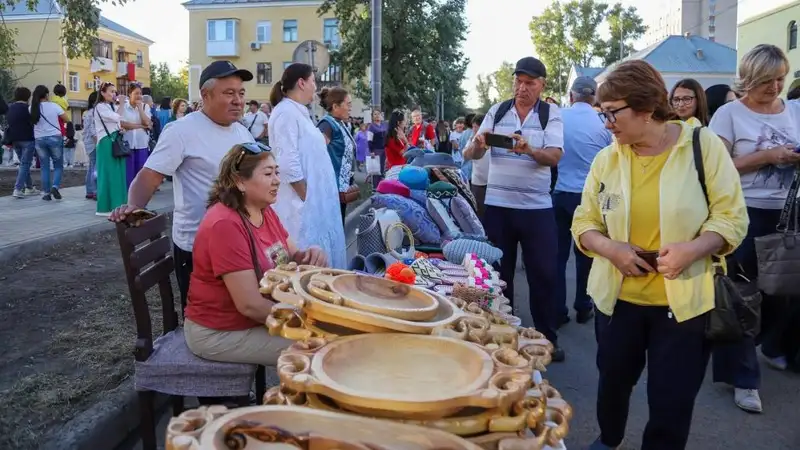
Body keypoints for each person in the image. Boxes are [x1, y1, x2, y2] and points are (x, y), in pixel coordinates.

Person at [573, 60, 748, 450]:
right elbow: (583, 221)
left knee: (672, 401)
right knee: (612, 383)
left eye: (612, 113)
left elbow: (732, 217)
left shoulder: (703, 147)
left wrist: (695, 248)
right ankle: (610, 439)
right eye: (603, 114)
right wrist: (610, 249)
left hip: (684, 306)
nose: (607, 124)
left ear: (646, 109)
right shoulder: (608, 158)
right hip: (617, 301)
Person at [109, 61, 256, 308]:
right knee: (210, 321)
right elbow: (149, 176)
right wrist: (132, 207)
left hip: (240, 241)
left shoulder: (242, 134)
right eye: (229, 93)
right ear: (205, 95)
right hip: (199, 247)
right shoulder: (181, 131)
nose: (238, 100)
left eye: (241, 93)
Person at [709, 44, 800, 413]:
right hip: (744, 214)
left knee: (784, 294)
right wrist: (767, 156)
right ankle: (744, 379)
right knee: (743, 298)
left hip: (789, 213)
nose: (776, 87)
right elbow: (717, 170)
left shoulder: (794, 110)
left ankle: (766, 348)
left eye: (780, 79)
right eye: (767, 80)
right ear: (749, 78)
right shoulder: (729, 114)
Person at [185, 143, 326, 365]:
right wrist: (312, 319)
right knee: (323, 349)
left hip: (253, 320)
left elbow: (293, 257)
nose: (277, 180)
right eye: (268, 173)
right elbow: (249, 304)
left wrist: (313, 254)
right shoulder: (225, 224)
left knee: (334, 336)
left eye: (277, 172)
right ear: (240, 181)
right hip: (220, 333)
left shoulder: (263, 210)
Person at [463, 57, 565, 360]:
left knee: (544, 275)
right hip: (498, 207)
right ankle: (502, 336)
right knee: (498, 275)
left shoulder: (551, 114)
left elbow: (554, 157)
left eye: (530, 83)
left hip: (536, 209)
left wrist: (530, 149)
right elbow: (469, 152)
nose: (522, 88)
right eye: (518, 81)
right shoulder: (498, 111)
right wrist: (480, 144)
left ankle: (547, 339)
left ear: (542, 85)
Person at [269, 63, 347, 269]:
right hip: (299, 208)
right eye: (313, 81)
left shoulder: (299, 112)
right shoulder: (285, 113)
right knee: (306, 264)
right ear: (301, 83)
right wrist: (307, 197)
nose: (315, 87)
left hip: (315, 203)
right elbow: (287, 162)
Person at [553, 76, 611, 326]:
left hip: (559, 192)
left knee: (557, 255)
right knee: (586, 254)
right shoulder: (602, 123)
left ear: (571, 96)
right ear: (594, 98)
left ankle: (557, 308)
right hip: (589, 196)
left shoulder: (558, 118)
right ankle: (583, 303)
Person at [317, 86, 356, 225]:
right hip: (331, 190)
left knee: (339, 225)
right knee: (333, 227)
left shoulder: (340, 123)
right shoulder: (327, 125)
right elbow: (316, 154)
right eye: (348, 104)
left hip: (340, 189)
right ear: (335, 106)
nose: (350, 108)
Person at [30, 85, 70, 201]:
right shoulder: (54, 106)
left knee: (44, 167)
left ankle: (46, 193)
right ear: (47, 95)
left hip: (39, 139)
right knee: (58, 165)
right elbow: (66, 118)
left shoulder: (32, 108)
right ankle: (55, 186)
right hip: (54, 137)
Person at [94, 82, 128, 215]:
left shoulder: (110, 106)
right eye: (111, 91)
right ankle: (106, 207)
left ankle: (118, 205)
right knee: (108, 174)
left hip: (114, 140)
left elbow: (117, 121)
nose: (114, 94)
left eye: (115, 91)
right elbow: (117, 117)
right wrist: (122, 104)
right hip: (106, 143)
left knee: (118, 174)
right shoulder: (100, 107)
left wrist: (121, 129)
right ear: (102, 93)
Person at [7, 87, 38, 198]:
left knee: (24, 165)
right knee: (25, 164)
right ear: (28, 97)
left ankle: (29, 187)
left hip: (15, 140)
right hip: (28, 139)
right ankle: (18, 189)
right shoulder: (28, 109)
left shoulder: (10, 108)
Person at [121, 83, 153, 187]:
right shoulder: (124, 107)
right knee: (128, 175)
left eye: (140, 93)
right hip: (127, 145)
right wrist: (141, 126)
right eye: (136, 93)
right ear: (130, 94)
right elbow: (122, 124)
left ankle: (138, 198)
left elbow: (147, 123)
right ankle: (128, 198)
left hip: (141, 144)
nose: (139, 96)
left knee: (140, 174)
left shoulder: (145, 106)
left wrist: (140, 108)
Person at [82, 91, 99, 200]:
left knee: (91, 166)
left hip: (88, 142)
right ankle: (95, 191)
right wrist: (98, 142)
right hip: (94, 143)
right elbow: (93, 131)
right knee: (95, 167)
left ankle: (89, 190)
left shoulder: (88, 112)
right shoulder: (94, 113)